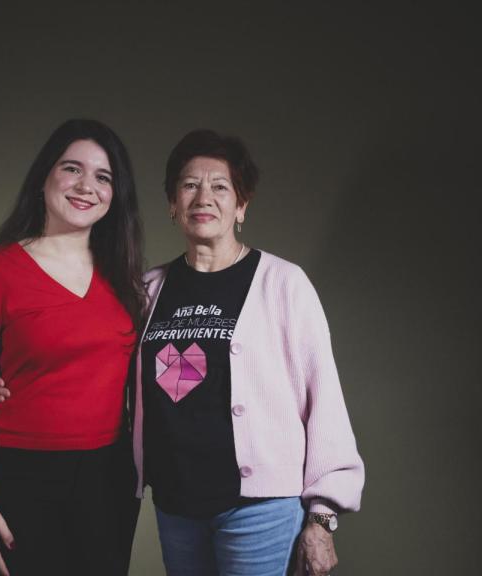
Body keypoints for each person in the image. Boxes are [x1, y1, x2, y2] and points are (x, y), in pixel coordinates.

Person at [133, 129, 364, 576]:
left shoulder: (282, 283)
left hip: (259, 511)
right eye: (189, 185)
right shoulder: (147, 290)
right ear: (172, 204)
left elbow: (325, 398)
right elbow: (98, 372)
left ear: (241, 206)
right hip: (176, 507)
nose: (204, 196)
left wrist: (322, 514)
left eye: (220, 186)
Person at [0, 119, 144, 576]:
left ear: (116, 195)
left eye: (103, 176)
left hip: (107, 478)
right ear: (44, 178)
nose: (85, 186)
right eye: (71, 168)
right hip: (21, 476)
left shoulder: (128, 279)